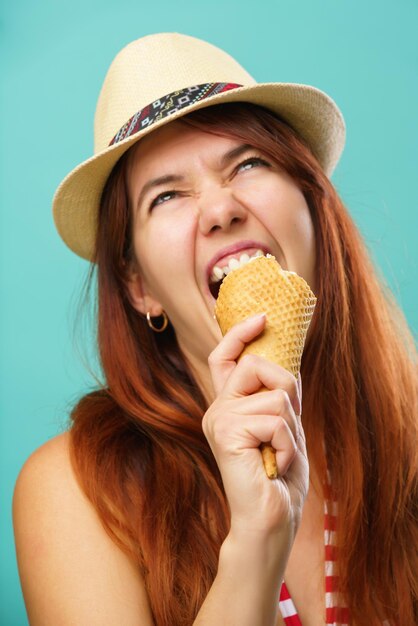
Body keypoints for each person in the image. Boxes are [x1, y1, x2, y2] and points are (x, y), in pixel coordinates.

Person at [12, 32, 417, 626]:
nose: (221, 209)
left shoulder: (406, 436)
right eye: (167, 195)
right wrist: (256, 539)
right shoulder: (77, 494)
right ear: (139, 287)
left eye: (249, 163)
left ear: (312, 206)